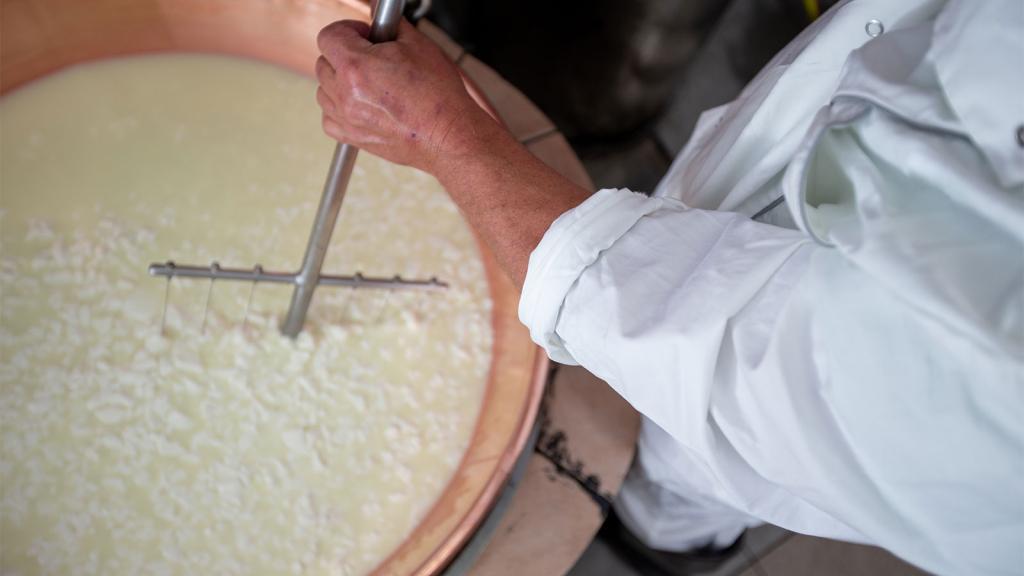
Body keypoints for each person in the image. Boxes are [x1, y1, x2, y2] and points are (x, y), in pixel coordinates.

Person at [312, 0, 1024, 574]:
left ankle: (667, 539)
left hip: (828, 424)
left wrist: (445, 135)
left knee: (680, 472)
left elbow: (735, 363)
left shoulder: (985, 394)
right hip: (854, 130)